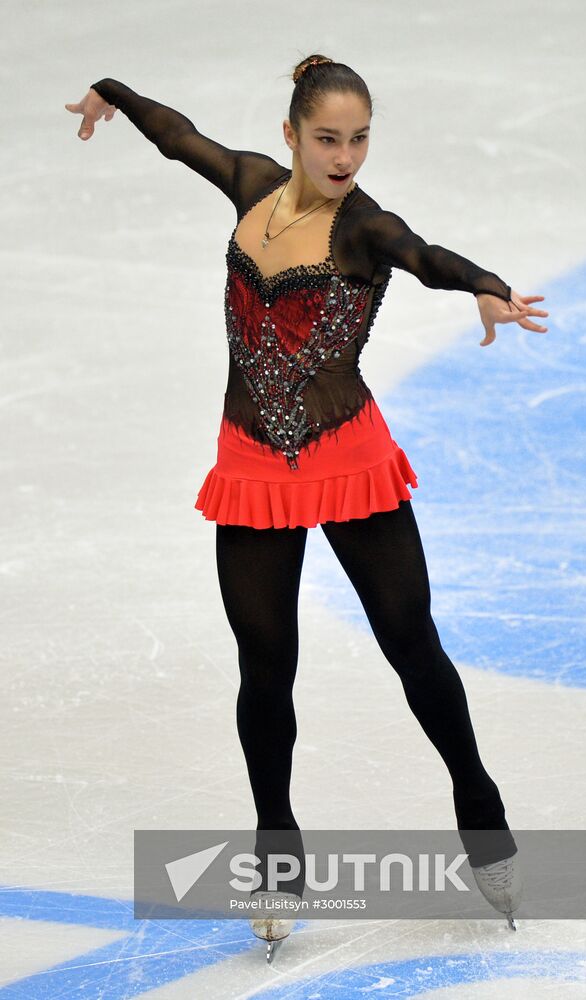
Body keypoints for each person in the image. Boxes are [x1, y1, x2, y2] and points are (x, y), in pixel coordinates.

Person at [66, 53, 548, 962]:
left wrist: (484, 283)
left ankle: (480, 812)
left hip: (347, 459)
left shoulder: (363, 227)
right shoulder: (251, 184)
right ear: (291, 136)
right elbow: (180, 139)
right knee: (265, 664)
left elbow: (425, 255)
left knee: (413, 646)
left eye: (359, 138)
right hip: (250, 463)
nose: (345, 156)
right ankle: (276, 848)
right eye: (327, 138)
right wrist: (115, 93)